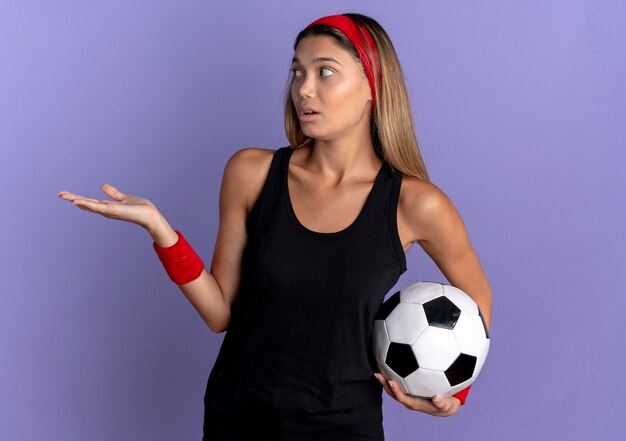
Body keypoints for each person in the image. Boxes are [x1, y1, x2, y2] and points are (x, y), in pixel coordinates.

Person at [57, 12, 492, 441]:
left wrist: (458, 391)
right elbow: (219, 313)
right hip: (238, 420)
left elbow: (477, 294)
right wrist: (160, 229)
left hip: (344, 427)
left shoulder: (414, 203)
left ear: (371, 86)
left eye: (325, 72)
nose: (304, 89)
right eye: (297, 71)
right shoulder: (251, 173)